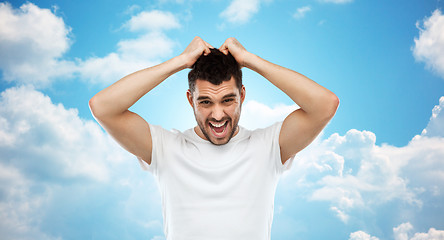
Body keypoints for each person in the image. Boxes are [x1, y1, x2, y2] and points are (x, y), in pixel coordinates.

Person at [89, 36, 339, 240]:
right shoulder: (165, 148)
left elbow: (325, 104)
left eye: (228, 100)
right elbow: (102, 107)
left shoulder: (268, 146)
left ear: (242, 95)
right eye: (206, 102)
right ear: (190, 100)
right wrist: (179, 61)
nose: (217, 115)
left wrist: (250, 60)